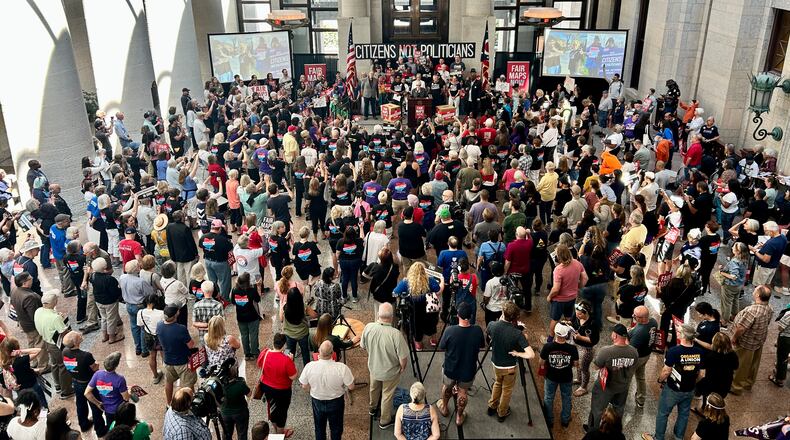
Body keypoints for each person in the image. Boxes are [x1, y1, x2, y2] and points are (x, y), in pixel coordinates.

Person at [642, 324, 705, 440]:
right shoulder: (699, 352)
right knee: (684, 415)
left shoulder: (674, 351)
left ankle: (659, 437)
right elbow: (702, 374)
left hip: (673, 389)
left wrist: (660, 380)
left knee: (663, 413)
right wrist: (693, 382)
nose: (678, 333)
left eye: (679, 332)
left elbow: (666, 371)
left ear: (684, 336)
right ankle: (678, 437)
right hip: (690, 389)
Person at [361, 303, 410, 430]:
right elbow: (403, 358)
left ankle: (372, 408)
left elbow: (363, 346)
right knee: (387, 396)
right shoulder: (396, 334)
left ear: (378, 314)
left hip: (374, 368)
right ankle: (384, 420)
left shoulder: (368, 327)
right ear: (392, 317)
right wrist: (402, 368)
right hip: (390, 373)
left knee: (373, 388)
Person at [486, 302, 535, 422]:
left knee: (497, 383)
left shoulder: (492, 325)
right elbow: (531, 354)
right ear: (515, 318)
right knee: (506, 390)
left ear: (503, 313)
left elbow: (490, 335)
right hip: (509, 367)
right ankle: (501, 413)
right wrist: (517, 353)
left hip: (496, 363)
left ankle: (492, 406)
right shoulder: (517, 333)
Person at [585, 324, 639, 432]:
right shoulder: (634, 351)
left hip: (606, 387)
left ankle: (593, 431)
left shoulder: (606, 351)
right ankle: (615, 431)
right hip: (623, 386)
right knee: (618, 409)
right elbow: (633, 366)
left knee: (597, 409)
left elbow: (596, 367)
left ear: (615, 335)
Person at [299, 340, 356, 440]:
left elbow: (304, 385)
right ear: (332, 353)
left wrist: (312, 391)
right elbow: (351, 387)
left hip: (317, 400)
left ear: (319, 351)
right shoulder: (342, 368)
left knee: (319, 428)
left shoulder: (309, 366)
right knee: (336, 429)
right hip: (336, 402)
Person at [730, 285, 774, 395]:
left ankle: (736, 387)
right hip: (759, 340)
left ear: (758, 295)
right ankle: (748, 383)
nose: (753, 291)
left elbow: (741, 328)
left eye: (755, 290)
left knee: (741, 365)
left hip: (746, 342)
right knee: (754, 363)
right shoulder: (769, 308)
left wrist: (734, 338)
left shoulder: (752, 311)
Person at [62, 331, 107, 436]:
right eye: (78, 335)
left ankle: (84, 424)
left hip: (76, 382)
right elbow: (95, 368)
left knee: (80, 404)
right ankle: (100, 430)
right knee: (95, 406)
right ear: (75, 342)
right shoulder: (86, 355)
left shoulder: (65, 351)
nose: (80, 335)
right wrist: (97, 364)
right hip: (89, 384)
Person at [393, 262, 443, 350]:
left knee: (416, 327)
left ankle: (418, 345)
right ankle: (433, 340)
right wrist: (442, 280)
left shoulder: (406, 282)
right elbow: (438, 290)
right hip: (429, 308)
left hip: (414, 311)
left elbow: (395, 293)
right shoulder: (430, 280)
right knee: (431, 324)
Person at [33, 292, 74, 399]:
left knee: (55, 364)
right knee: (63, 366)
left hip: (47, 341)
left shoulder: (38, 311)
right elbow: (64, 332)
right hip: (56, 344)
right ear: (54, 302)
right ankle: (66, 391)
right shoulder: (55, 318)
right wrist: (63, 319)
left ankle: (58, 385)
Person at [257, 333, 298, 438]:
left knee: (272, 409)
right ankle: (280, 435)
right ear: (284, 345)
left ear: (273, 342)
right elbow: (293, 376)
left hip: (267, 387)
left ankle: (277, 431)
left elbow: (259, 364)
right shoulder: (286, 360)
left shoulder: (265, 353)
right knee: (282, 413)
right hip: (282, 391)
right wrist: (291, 360)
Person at [541, 322, 579, 429]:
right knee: (566, 398)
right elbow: (576, 364)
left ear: (555, 332)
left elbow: (541, 362)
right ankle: (565, 420)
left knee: (548, 397)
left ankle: (549, 421)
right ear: (566, 334)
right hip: (566, 377)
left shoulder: (547, 346)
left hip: (551, 376)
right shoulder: (572, 348)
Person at [157, 305, 197, 405]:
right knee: (188, 385)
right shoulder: (181, 328)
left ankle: (168, 403)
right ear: (176, 314)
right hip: (183, 361)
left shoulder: (159, 325)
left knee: (169, 382)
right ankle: (190, 404)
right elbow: (191, 345)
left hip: (167, 361)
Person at [547, 244, 587, 340]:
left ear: (559, 256)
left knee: (555, 319)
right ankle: (566, 336)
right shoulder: (577, 263)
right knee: (568, 318)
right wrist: (578, 287)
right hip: (572, 297)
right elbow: (585, 278)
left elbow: (556, 289)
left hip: (559, 300)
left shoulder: (558, 269)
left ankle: (550, 339)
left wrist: (549, 296)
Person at [10, 272, 49, 370]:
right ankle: (43, 366)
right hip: (32, 325)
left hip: (23, 323)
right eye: (30, 278)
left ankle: (33, 362)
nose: (32, 279)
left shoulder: (14, 290)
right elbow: (34, 315)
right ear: (24, 283)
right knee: (40, 344)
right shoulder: (29, 297)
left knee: (31, 343)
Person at [85, 352, 130, 427]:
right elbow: (126, 398)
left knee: (110, 427)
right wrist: (130, 392)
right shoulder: (120, 379)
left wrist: (98, 403)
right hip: (119, 409)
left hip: (107, 409)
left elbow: (86, 393)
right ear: (116, 366)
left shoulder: (97, 374)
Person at [120, 260, 154, 358]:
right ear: (137, 268)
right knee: (143, 327)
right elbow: (149, 293)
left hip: (128, 305)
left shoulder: (122, 277)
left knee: (134, 326)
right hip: (139, 306)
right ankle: (144, 350)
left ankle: (137, 348)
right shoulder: (140, 281)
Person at [628, 305, 658, 407]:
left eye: (635, 316)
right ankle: (641, 399)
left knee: (626, 378)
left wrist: (628, 335)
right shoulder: (653, 321)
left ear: (641, 318)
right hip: (646, 354)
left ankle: (619, 400)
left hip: (637, 358)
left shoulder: (639, 333)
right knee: (640, 377)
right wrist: (632, 330)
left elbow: (630, 350)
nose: (633, 316)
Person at [90, 258, 124, 344]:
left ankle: (105, 336)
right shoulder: (110, 279)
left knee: (104, 318)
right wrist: (119, 297)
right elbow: (115, 292)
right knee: (111, 319)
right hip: (110, 302)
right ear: (104, 267)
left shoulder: (93, 276)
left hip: (98, 301)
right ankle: (112, 337)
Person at [570, 300, 600, 397]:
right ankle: (579, 379)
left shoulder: (593, 323)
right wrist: (568, 323)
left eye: (580, 314)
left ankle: (584, 387)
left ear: (586, 313)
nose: (577, 316)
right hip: (576, 345)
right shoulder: (576, 315)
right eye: (576, 313)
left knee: (584, 368)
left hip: (587, 349)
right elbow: (572, 322)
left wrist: (580, 337)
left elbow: (594, 340)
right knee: (578, 364)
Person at [199, 219, 234, 300]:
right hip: (221, 263)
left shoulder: (203, 237)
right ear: (220, 228)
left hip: (207, 261)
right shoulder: (222, 240)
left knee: (212, 281)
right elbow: (230, 249)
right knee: (224, 282)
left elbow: (201, 246)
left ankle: (214, 296)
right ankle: (224, 299)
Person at [231, 272, 262, 360]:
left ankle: (247, 354)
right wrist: (258, 287)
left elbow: (233, 302)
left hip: (240, 317)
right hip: (252, 316)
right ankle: (255, 352)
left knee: (244, 335)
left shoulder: (234, 290)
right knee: (253, 334)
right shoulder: (251, 290)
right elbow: (258, 299)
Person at [136, 294, 165, 384]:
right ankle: (168, 374)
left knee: (152, 356)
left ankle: (155, 376)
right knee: (164, 355)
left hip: (148, 336)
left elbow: (140, 325)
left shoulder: (140, 312)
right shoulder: (161, 313)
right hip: (160, 336)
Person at [750, 221, 787, 287]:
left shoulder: (771, 243)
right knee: (766, 284)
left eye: (766, 231)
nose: (765, 233)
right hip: (773, 266)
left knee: (759, 287)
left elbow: (766, 260)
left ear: (771, 231)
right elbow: (776, 249)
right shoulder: (783, 238)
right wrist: (765, 246)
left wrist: (754, 250)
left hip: (764, 268)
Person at [280, 287, 311, 366]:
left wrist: (281, 305)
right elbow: (314, 315)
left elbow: (281, 319)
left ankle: (286, 365)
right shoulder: (304, 306)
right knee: (305, 352)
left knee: (288, 351)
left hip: (289, 334)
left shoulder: (285, 307)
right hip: (303, 334)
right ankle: (307, 368)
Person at [219, 362, 250, 440]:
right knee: (242, 434)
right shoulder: (240, 384)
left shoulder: (220, 385)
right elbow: (249, 394)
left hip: (225, 413)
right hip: (240, 412)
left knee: (226, 434)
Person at [335, 226, 365, 303]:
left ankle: (344, 297)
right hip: (355, 262)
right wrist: (361, 228)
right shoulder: (358, 241)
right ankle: (354, 297)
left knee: (345, 278)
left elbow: (337, 253)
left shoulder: (341, 241)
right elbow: (362, 237)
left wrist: (338, 260)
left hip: (344, 262)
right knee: (354, 278)